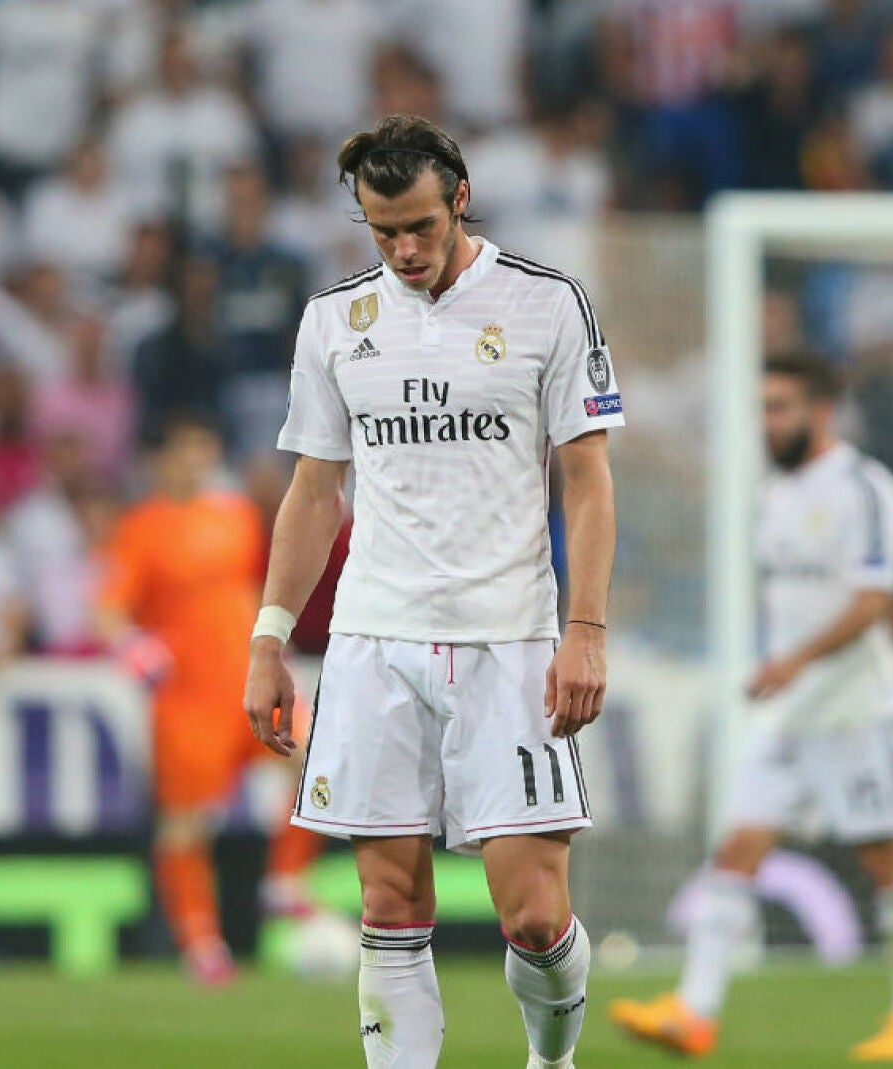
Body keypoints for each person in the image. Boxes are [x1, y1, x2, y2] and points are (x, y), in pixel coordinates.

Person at [241, 115, 622, 1069]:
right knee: (387, 905)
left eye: (418, 225)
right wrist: (268, 637)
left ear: (461, 199)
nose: (404, 249)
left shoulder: (547, 304)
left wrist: (586, 628)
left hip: (512, 638)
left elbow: (586, 477)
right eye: (382, 230)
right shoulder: (336, 318)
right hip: (375, 638)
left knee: (533, 917)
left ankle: (552, 1057)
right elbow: (315, 490)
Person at [609, 353, 893, 1062]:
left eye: (782, 407)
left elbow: (875, 598)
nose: (769, 422)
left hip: (857, 707)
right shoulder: (774, 492)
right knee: (736, 850)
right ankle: (694, 1011)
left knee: (887, 860)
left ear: (823, 408)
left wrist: (791, 662)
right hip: (789, 712)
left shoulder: (865, 487)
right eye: (762, 408)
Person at [96, 413, 324, 984]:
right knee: (185, 825)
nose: (193, 461)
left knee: (322, 759)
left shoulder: (237, 516)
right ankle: (202, 945)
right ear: (160, 460)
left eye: (202, 448)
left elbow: (253, 589)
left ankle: (284, 881)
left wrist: (278, 651)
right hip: (187, 701)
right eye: (182, 450)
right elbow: (106, 610)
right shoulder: (141, 528)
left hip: (248, 679)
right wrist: (135, 649)